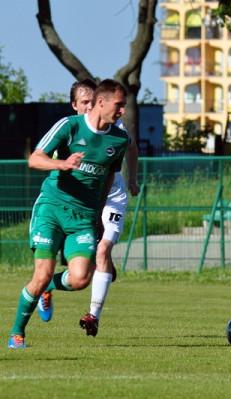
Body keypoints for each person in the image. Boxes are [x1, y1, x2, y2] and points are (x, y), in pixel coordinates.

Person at [7, 79, 130, 349]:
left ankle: (46, 288)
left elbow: (109, 175)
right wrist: (61, 163)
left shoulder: (119, 140)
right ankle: (17, 332)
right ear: (102, 102)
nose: (122, 111)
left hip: (84, 216)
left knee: (80, 279)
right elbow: (34, 158)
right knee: (42, 273)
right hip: (51, 208)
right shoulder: (70, 126)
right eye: (119, 105)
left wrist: (98, 214)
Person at [35, 79, 140, 337]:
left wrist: (132, 178)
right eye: (83, 102)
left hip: (111, 196)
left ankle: (93, 315)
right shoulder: (70, 130)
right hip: (75, 203)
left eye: (90, 101)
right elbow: (42, 159)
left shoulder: (115, 127)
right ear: (75, 105)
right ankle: (45, 284)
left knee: (103, 250)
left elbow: (132, 147)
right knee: (83, 269)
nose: (88, 106)